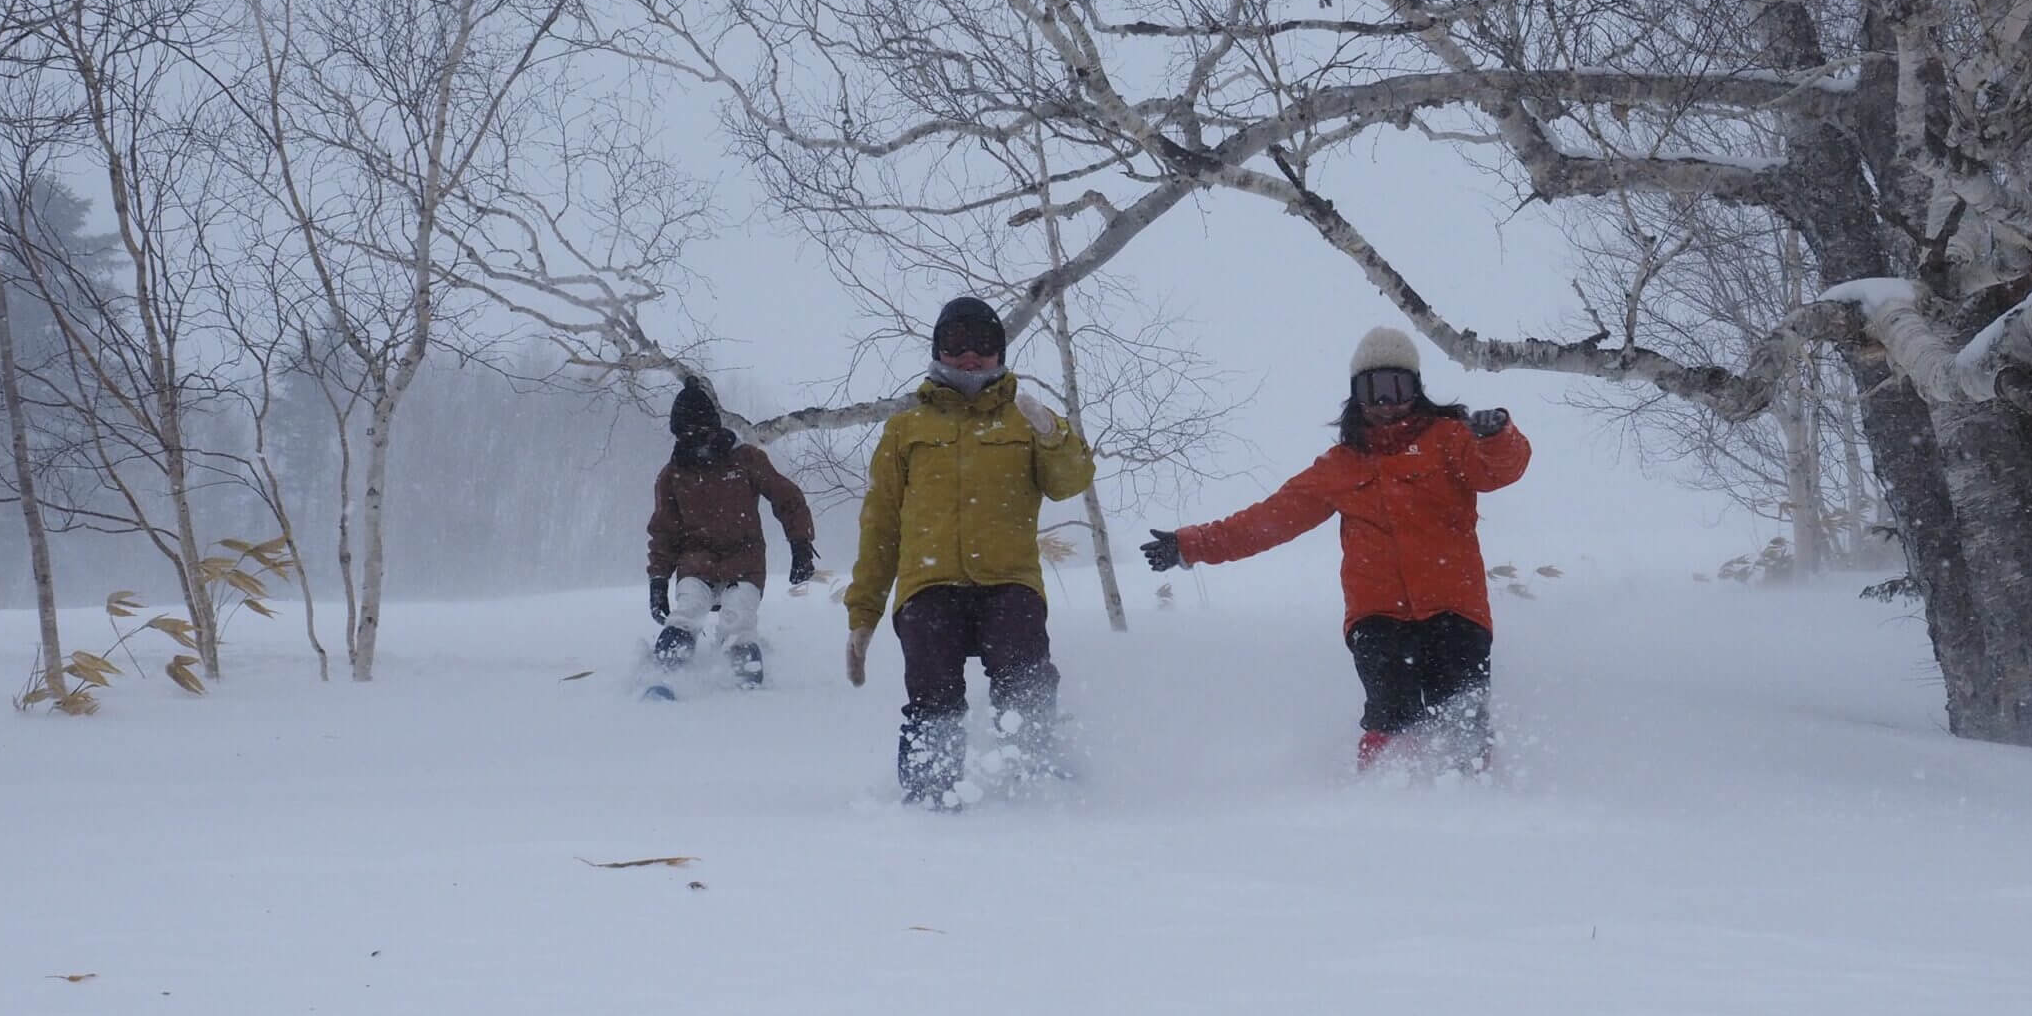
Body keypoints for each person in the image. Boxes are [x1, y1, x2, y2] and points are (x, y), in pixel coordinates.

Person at [1141, 326, 1530, 774]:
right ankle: (1385, 793)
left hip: (1455, 611)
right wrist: (1191, 545)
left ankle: (1475, 791)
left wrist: (1497, 435)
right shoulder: (1340, 467)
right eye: (1373, 389)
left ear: (1417, 389)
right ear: (1356, 395)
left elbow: (1500, 471)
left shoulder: (1450, 440)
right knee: (1393, 713)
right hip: (1378, 617)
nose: (1386, 402)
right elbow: (1267, 521)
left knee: (1460, 712)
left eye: (1396, 386)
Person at [845, 295, 1096, 805]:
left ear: (1000, 352)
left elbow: (1071, 481)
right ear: (938, 349)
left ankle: (1038, 779)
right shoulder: (905, 428)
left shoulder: (1026, 418)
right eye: (956, 343)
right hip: (928, 587)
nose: (970, 356)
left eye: (983, 344)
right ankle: (930, 793)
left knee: (1026, 677)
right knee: (932, 693)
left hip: (1009, 582)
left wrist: (1052, 435)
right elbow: (881, 526)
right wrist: (863, 613)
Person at [647, 376, 818, 687]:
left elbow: (786, 497)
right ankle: (666, 675)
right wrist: (658, 580)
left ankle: (744, 681)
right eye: (685, 433)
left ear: (713, 426)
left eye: (700, 429)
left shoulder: (745, 460)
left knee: (737, 620)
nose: (694, 438)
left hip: (745, 561)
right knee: (687, 612)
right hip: (696, 563)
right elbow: (663, 531)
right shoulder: (673, 475)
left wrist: (801, 544)